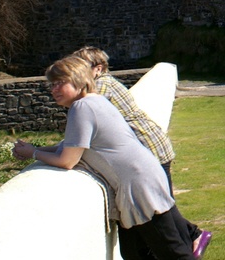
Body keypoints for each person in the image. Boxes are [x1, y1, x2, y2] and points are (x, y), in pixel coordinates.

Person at [13, 56, 204, 259]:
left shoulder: (82, 108)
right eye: (52, 85)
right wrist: (39, 148)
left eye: (61, 83)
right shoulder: (96, 101)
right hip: (143, 176)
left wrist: (32, 153)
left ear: (79, 80)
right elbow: (70, 146)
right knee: (134, 253)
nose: (54, 90)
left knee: (172, 253)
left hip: (138, 185)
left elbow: (67, 160)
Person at [72, 46, 210, 255]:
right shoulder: (105, 84)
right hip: (150, 147)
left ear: (97, 69)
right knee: (162, 209)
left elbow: (85, 121)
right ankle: (193, 235)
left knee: (161, 214)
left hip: (149, 148)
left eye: (80, 68)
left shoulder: (99, 88)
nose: (75, 74)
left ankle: (192, 236)